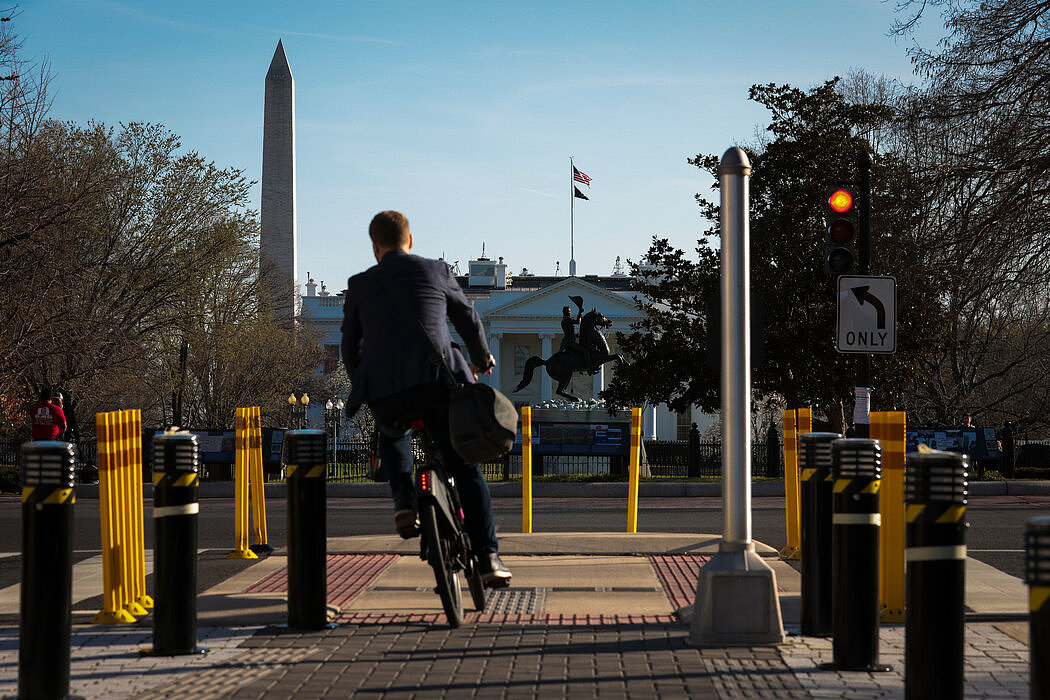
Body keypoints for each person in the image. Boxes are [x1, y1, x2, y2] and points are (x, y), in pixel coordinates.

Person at [341, 210, 511, 587]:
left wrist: (365, 384)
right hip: (439, 383)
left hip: (387, 391)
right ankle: (489, 557)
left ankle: (404, 504)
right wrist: (482, 358)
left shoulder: (359, 285)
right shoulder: (436, 271)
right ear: (411, 240)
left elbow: (349, 349)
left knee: (392, 436)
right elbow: (468, 318)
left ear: (375, 247)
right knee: (465, 468)